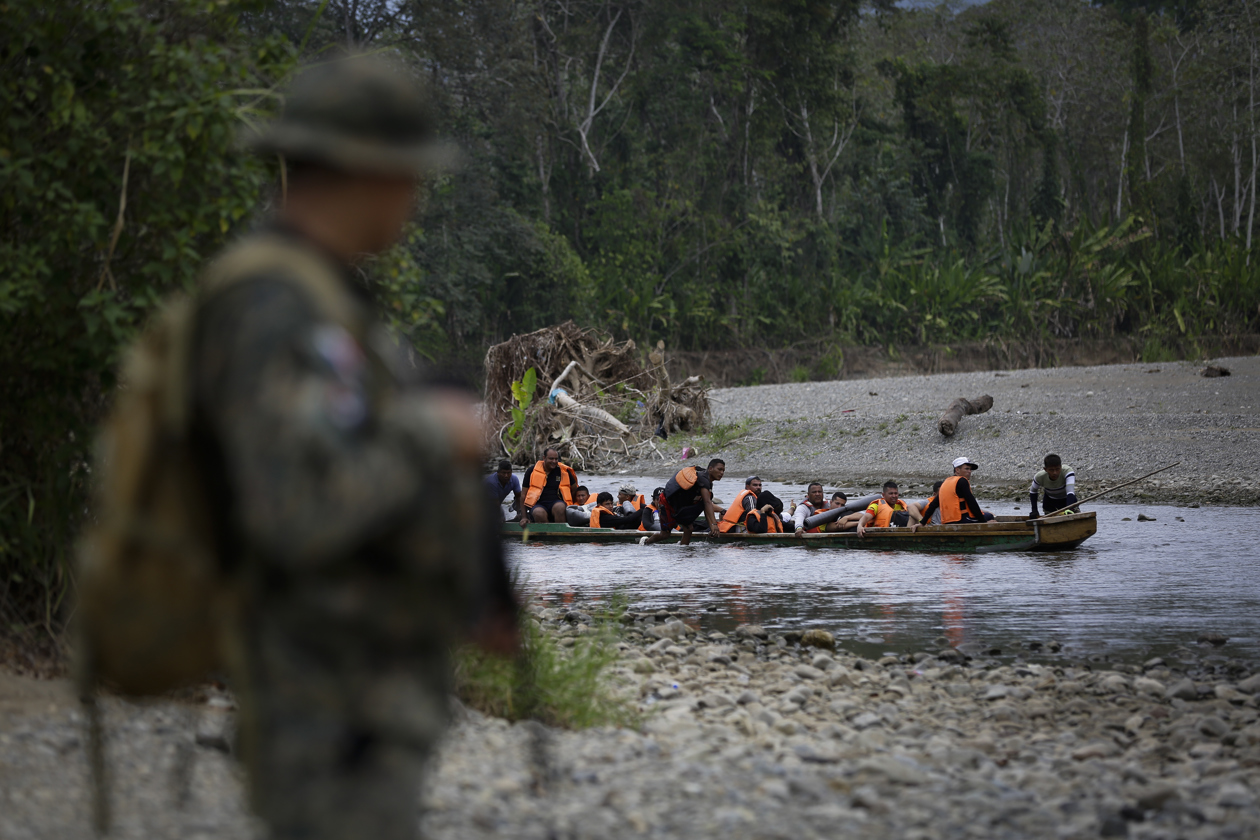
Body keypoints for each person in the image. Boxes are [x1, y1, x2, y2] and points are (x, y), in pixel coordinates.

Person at [189, 57, 515, 840]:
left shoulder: (323, 297)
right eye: (406, 175)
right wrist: (432, 430)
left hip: (358, 700)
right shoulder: (274, 307)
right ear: (363, 173)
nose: (413, 197)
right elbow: (293, 511)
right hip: (323, 708)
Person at [641, 459, 725, 545]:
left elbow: (706, 505)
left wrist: (712, 526)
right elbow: (707, 503)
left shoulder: (707, 483)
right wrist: (714, 525)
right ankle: (646, 542)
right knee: (665, 534)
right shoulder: (703, 479)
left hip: (680, 506)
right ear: (710, 468)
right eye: (719, 469)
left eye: (723, 470)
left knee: (689, 529)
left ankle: (684, 552)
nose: (722, 473)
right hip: (667, 504)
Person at [915, 457, 995, 527]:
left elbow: (933, 504)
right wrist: (983, 523)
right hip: (962, 520)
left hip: (947, 522)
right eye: (966, 469)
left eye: (970, 469)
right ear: (957, 470)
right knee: (990, 516)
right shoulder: (962, 481)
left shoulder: (946, 482)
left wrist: (922, 522)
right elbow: (972, 503)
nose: (969, 471)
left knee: (986, 516)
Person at [520, 447, 578, 524]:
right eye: (551, 459)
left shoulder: (564, 471)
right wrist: (524, 517)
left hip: (556, 502)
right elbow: (523, 495)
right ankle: (547, 534)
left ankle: (560, 534)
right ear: (544, 458)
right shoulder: (531, 471)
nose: (554, 461)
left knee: (560, 508)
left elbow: (575, 490)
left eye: (556, 459)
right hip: (538, 504)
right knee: (539, 513)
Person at [856, 481, 921, 537]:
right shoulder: (876, 505)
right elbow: (866, 516)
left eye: (896, 493)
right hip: (880, 533)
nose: (894, 496)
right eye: (891, 493)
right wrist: (860, 526)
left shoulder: (901, 505)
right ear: (883, 495)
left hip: (901, 531)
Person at [1030, 453, 1077, 518]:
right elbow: (1033, 492)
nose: (1055, 473)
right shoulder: (1039, 477)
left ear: (1061, 467)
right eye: (1051, 470)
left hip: (1068, 500)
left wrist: (1069, 509)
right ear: (1045, 469)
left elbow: (1070, 492)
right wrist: (1034, 510)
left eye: (1057, 469)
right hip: (1050, 502)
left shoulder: (1068, 471)